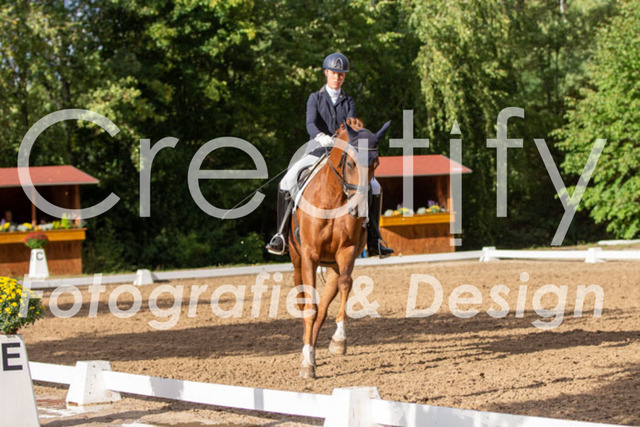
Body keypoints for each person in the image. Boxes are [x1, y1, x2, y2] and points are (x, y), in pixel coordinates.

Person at [265, 52, 393, 258]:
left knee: (375, 186)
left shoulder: (348, 101)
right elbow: (310, 123)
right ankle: (281, 234)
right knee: (287, 181)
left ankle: (374, 238)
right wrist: (320, 136)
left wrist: (343, 140)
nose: (337, 77)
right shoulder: (315, 98)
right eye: (334, 73)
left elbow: (350, 126)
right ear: (326, 73)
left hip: (342, 153)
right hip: (317, 149)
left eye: (341, 75)